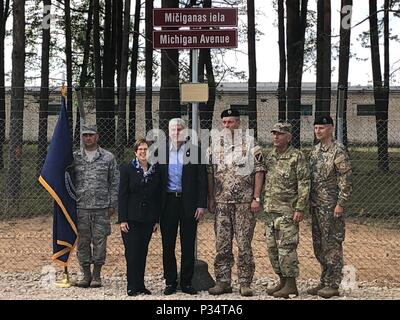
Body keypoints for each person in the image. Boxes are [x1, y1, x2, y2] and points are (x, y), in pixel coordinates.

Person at [207, 109, 265, 297]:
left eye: (230, 122)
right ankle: (223, 281)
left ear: (238, 123)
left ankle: (245, 282)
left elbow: (259, 171)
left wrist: (256, 197)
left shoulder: (250, 144)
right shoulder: (215, 144)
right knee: (222, 244)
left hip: (244, 203)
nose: (227, 126)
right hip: (222, 202)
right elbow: (210, 172)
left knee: (244, 244)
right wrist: (211, 197)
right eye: (224, 122)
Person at [159, 118, 208, 295]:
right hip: (168, 203)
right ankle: (170, 281)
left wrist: (201, 204)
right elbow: (156, 181)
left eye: (180, 128)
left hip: (189, 203)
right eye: (173, 129)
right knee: (168, 244)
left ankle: (186, 282)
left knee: (188, 244)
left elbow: (202, 179)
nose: (177, 132)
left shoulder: (194, 151)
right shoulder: (159, 151)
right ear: (168, 131)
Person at [307, 116, 352, 298]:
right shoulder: (315, 151)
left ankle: (333, 284)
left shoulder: (338, 150)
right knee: (319, 245)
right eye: (316, 128)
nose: (318, 131)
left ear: (331, 129)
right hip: (316, 206)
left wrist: (341, 203)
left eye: (322, 128)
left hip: (331, 206)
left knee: (332, 244)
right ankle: (324, 280)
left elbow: (346, 179)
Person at [263, 122, 310, 299]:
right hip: (271, 211)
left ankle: (291, 285)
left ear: (289, 137)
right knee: (272, 249)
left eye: (280, 134)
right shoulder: (271, 156)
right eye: (274, 133)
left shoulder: (296, 157)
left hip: (288, 212)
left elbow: (304, 183)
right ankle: (282, 281)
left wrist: (299, 208)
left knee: (287, 249)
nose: (276, 136)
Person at [73, 124, 119, 288]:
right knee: (83, 242)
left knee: (100, 241)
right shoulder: (75, 157)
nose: (88, 138)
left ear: (97, 136)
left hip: (101, 208)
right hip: (81, 207)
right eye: (85, 135)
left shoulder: (108, 157)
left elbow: (114, 182)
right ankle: (86, 275)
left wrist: (112, 204)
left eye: (91, 135)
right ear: (82, 137)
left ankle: (97, 275)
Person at [118, 139, 161, 296]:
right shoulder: (127, 169)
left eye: (146, 149)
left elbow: (157, 196)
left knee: (143, 251)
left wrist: (156, 219)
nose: (143, 152)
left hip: (148, 219)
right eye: (140, 149)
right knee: (132, 252)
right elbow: (122, 195)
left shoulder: (154, 170)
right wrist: (122, 219)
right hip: (131, 219)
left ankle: (141, 284)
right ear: (135, 152)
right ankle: (132, 285)